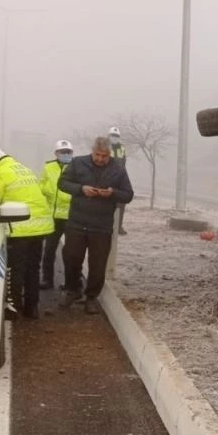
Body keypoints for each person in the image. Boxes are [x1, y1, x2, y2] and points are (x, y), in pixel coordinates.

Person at [59, 136, 134, 314]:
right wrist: (81, 189)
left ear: (109, 154)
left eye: (104, 156)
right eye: (97, 155)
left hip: (101, 226)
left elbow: (128, 195)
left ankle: (91, 297)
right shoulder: (78, 163)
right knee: (71, 258)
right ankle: (72, 289)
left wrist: (112, 193)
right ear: (92, 151)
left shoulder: (118, 169)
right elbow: (62, 183)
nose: (100, 159)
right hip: (77, 222)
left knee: (98, 264)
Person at [0, 145, 54, 319]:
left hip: (20, 227)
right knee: (33, 268)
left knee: (15, 269)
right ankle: (32, 308)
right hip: (40, 227)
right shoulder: (20, 167)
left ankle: (13, 307)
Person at [39, 139, 74, 289]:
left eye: (68, 152)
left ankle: (72, 283)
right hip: (53, 217)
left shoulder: (76, 167)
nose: (66, 154)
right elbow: (42, 185)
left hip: (70, 216)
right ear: (56, 153)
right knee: (49, 250)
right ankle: (47, 280)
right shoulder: (48, 167)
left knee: (71, 253)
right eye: (63, 152)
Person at [108, 126, 128, 236]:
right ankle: (108, 225)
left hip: (119, 178)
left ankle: (119, 226)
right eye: (113, 135)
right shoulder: (105, 146)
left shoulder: (122, 148)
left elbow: (123, 162)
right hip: (107, 177)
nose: (114, 137)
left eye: (116, 136)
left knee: (121, 203)